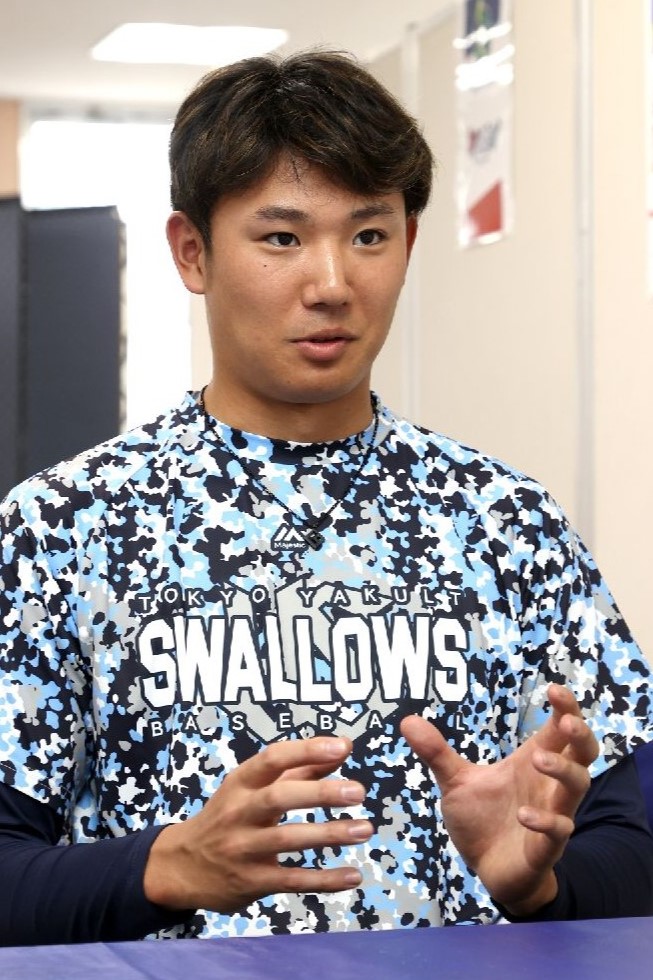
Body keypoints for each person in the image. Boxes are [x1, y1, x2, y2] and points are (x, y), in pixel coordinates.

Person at [0, 50, 652, 947]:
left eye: (368, 236)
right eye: (282, 238)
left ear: (408, 244)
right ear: (191, 252)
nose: (333, 284)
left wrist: (543, 884)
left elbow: (634, 835)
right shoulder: (63, 527)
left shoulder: (504, 521)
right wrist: (164, 866)